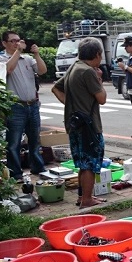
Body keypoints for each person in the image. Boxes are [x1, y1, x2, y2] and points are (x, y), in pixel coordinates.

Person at [51, 37, 107, 208]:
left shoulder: (74, 66)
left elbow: (56, 88)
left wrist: (71, 106)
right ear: (97, 54)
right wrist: (99, 79)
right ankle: (87, 200)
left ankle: (82, 197)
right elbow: (102, 98)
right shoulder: (88, 71)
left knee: (83, 162)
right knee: (90, 162)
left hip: (75, 122)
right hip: (88, 125)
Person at [0, 30, 48, 182]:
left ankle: (38, 166)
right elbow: (8, 70)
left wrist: (36, 54)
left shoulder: (28, 59)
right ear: (4, 43)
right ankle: (15, 173)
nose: (17, 43)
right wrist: (18, 52)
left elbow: (43, 70)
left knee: (34, 139)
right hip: (15, 106)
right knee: (14, 142)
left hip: (33, 105)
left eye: (19, 40)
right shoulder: (0, 59)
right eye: (13, 41)